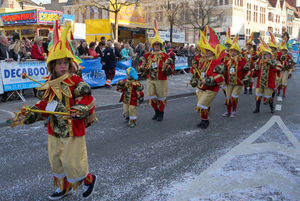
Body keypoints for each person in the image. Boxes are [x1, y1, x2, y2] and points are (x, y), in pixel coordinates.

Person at [19, 25, 97, 200]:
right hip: (54, 130)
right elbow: (45, 105)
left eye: (65, 63)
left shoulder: (75, 81)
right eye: (59, 63)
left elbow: (88, 100)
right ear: (52, 66)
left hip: (72, 131)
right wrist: (30, 114)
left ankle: (89, 180)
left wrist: (78, 110)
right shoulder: (49, 83)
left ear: (70, 64)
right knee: (57, 163)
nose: (63, 66)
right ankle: (64, 188)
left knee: (73, 164)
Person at [138, 20, 174, 121]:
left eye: (158, 46)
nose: (156, 47)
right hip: (150, 79)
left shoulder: (165, 56)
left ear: (161, 47)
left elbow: (172, 69)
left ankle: (161, 113)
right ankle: (156, 111)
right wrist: (144, 67)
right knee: (151, 97)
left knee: (161, 97)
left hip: (161, 79)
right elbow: (140, 65)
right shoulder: (147, 55)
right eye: (155, 45)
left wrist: (165, 67)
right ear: (153, 46)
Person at [192, 27, 225, 128]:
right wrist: (194, 80)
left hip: (211, 88)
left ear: (212, 52)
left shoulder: (216, 62)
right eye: (205, 50)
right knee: (201, 106)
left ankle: (206, 122)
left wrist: (207, 80)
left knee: (201, 105)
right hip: (202, 86)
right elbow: (200, 74)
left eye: (208, 50)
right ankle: (204, 120)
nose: (206, 52)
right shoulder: (204, 62)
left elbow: (220, 77)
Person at [222, 37, 250, 117]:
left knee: (234, 97)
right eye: (232, 51)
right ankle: (228, 111)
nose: (233, 52)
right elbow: (224, 70)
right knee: (228, 97)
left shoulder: (242, 60)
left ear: (238, 52)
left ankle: (233, 111)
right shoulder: (228, 60)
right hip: (229, 82)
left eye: (235, 51)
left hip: (238, 82)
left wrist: (244, 80)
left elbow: (247, 71)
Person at [253, 38, 282, 113]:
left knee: (269, 97)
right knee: (258, 95)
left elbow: (279, 68)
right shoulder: (260, 61)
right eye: (265, 54)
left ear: (270, 55)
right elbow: (256, 70)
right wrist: (254, 66)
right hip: (260, 82)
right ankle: (257, 108)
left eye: (268, 54)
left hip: (268, 82)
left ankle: (272, 108)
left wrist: (271, 64)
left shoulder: (274, 61)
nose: (266, 55)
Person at [0, 35, 13, 102]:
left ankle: (7, 95)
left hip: (6, 66)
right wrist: (4, 59)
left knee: (6, 80)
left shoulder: (5, 47)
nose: (7, 40)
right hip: (2, 66)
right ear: (2, 40)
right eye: (6, 39)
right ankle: (3, 96)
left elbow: (8, 54)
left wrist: (10, 58)